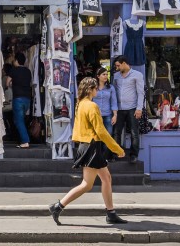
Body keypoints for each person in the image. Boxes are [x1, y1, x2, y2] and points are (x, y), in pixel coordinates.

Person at [49, 76, 127, 225]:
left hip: (86, 145)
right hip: (92, 146)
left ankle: (111, 213)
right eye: (96, 88)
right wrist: (116, 148)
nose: (97, 90)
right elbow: (101, 131)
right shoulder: (92, 106)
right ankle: (58, 207)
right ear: (91, 89)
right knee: (87, 184)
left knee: (106, 178)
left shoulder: (81, 104)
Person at [111, 56, 144, 161]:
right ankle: (117, 153)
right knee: (117, 132)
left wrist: (139, 108)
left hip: (132, 108)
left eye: (118, 65)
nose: (117, 68)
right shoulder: (116, 76)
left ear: (124, 63)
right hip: (119, 108)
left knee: (134, 132)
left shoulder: (137, 75)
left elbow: (140, 92)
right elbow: (114, 91)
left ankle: (134, 155)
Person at [6, 52, 32, 148]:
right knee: (20, 120)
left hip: (18, 99)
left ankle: (25, 141)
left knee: (18, 121)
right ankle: (22, 140)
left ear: (16, 61)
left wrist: (13, 85)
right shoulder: (28, 71)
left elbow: (7, 83)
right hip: (27, 99)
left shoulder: (13, 70)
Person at [92, 67, 117, 133]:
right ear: (98, 76)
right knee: (96, 136)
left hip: (107, 115)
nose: (106, 76)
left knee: (108, 136)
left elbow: (114, 102)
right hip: (95, 115)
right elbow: (89, 101)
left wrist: (115, 115)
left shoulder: (111, 87)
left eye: (106, 74)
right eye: (103, 74)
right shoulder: (93, 87)